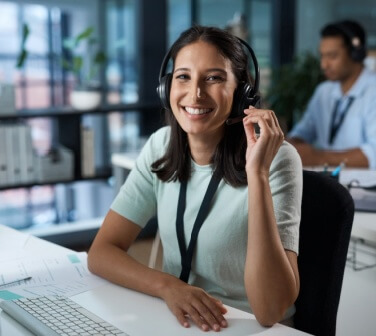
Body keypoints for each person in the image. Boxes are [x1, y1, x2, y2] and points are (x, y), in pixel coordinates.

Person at [88, 26, 302, 332]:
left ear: (242, 93)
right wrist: (167, 286)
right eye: (183, 77)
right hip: (181, 318)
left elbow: (269, 311)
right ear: (166, 88)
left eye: (214, 78)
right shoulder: (161, 145)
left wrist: (258, 175)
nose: (195, 93)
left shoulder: (278, 159)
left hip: (248, 325)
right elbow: (101, 253)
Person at [288, 20, 376, 168]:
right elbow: (301, 134)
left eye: (332, 56)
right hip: (328, 183)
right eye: (322, 56)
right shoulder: (324, 91)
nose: (324, 65)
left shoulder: (372, 90)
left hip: (365, 187)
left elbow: (373, 154)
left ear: (356, 54)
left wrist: (318, 157)